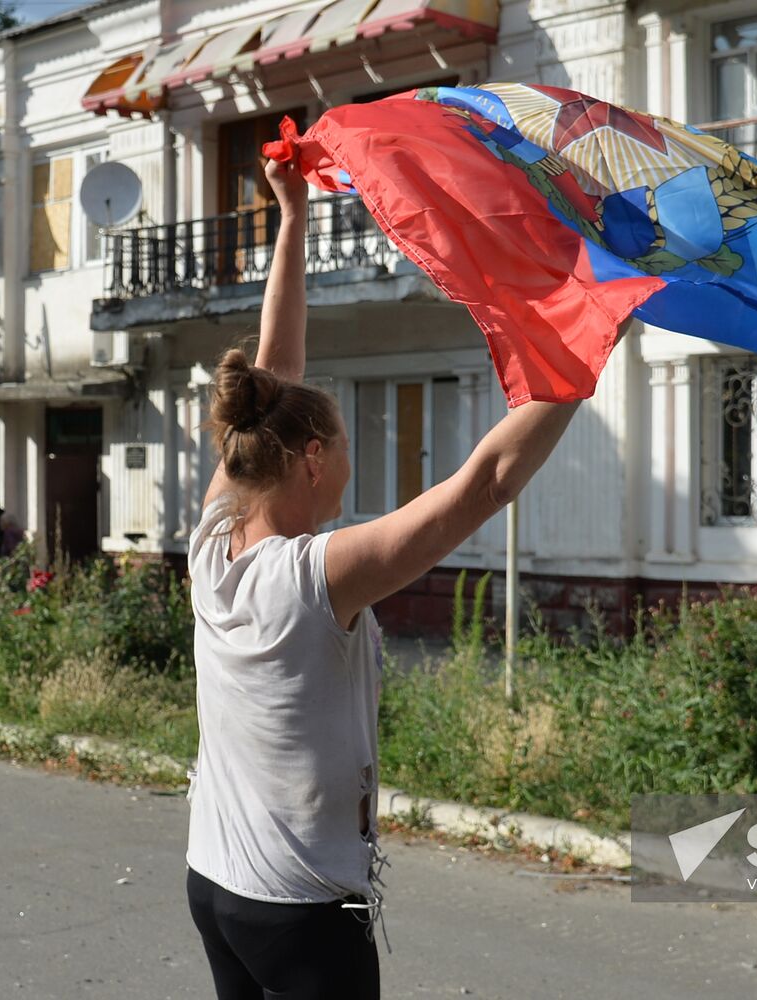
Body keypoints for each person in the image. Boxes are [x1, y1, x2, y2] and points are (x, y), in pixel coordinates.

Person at [184, 155, 602, 1000]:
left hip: (215, 883)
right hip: (299, 911)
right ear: (310, 460)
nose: (349, 451)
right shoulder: (313, 577)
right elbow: (482, 487)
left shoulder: (213, 532)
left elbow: (277, 367)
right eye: (340, 439)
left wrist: (293, 216)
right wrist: (587, 335)